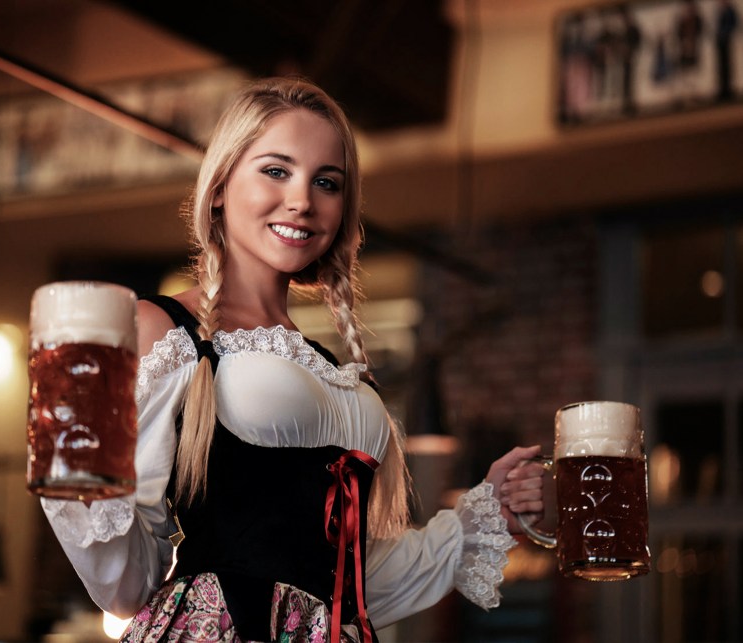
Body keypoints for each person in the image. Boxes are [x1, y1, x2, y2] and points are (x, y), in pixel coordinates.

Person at [41, 77, 545, 643]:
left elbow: (356, 585)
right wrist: (72, 454)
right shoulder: (166, 329)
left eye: (326, 182)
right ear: (220, 187)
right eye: (276, 170)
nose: (303, 200)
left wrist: (487, 515)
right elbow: (125, 585)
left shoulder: (325, 365)